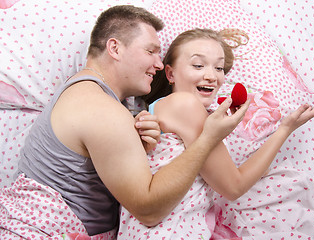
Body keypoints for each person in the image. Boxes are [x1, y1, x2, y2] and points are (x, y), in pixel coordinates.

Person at [0, 5, 249, 239]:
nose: (159, 64)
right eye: (150, 51)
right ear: (115, 48)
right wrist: (208, 138)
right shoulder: (100, 108)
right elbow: (149, 210)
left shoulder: (89, 94)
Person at [117, 28, 314, 239]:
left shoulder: (164, 107)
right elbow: (233, 186)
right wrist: (285, 129)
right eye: (198, 65)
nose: (211, 76)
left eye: (219, 68)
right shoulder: (185, 105)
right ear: (170, 74)